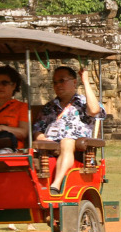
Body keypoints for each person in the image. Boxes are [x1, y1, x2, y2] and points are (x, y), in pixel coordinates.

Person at [33, 66, 104, 196]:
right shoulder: (49, 107)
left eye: (62, 81)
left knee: (67, 142)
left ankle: (56, 185)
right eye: (55, 82)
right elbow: (38, 128)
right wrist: (41, 138)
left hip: (77, 147)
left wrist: (86, 81)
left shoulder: (83, 102)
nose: (58, 85)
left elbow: (94, 110)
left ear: (74, 82)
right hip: (50, 146)